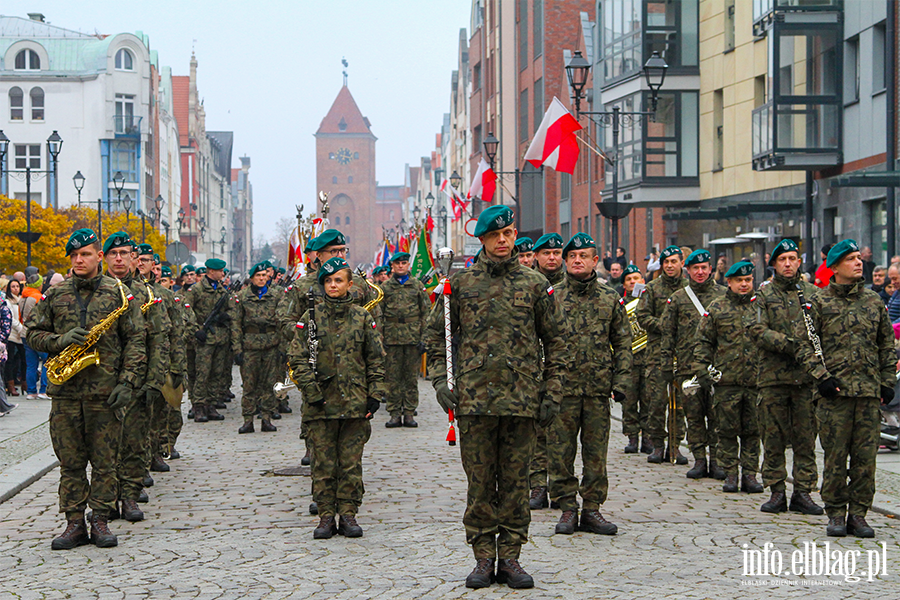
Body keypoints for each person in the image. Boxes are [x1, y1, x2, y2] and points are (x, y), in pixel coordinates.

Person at [424, 205, 566, 589]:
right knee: (481, 484)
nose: (503, 241)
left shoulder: (535, 285)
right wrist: (441, 382)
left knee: (517, 484)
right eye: (495, 236)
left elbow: (555, 342)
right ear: (483, 240)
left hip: (522, 400)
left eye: (508, 234)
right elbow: (436, 338)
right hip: (474, 402)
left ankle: (512, 557)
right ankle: (484, 557)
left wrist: (551, 391)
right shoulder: (462, 284)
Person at [26, 228, 146, 549]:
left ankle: (101, 520)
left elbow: (135, 340)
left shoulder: (119, 293)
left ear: (98, 257)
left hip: (104, 392)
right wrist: (59, 340)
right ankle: (74, 523)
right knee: (71, 461)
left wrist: (128, 381)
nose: (79, 260)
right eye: (74, 256)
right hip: (65, 392)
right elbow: (33, 334)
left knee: (106, 461)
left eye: (86, 254)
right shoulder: (56, 294)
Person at [794, 240, 894, 537]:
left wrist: (887, 382)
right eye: (850, 259)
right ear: (834, 267)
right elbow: (804, 346)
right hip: (834, 396)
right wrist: (821, 377)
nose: (858, 262)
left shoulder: (874, 301)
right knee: (835, 458)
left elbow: (886, 344)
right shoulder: (820, 302)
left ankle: (859, 514)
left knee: (865, 461)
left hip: (866, 394)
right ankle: (836, 513)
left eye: (858, 257)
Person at [288, 257, 385, 539]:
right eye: (328, 281)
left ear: (349, 285)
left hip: (355, 402)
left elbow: (375, 359)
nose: (333, 285)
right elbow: (297, 359)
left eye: (338, 280)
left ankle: (349, 514)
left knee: (351, 463)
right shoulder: (310, 318)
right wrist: (310, 391)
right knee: (323, 463)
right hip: (321, 404)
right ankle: (326, 515)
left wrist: (375, 394)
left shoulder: (362, 317)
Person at [548, 233, 631, 537]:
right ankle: (568, 507)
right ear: (566, 261)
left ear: (597, 260)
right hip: (562, 389)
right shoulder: (552, 296)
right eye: (572, 256)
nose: (578, 260)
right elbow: (538, 341)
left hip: (597, 389)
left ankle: (593, 508)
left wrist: (621, 380)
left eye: (584, 255)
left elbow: (623, 341)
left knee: (596, 453)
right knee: (560, 451)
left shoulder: (609, 298)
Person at [748, 239, 824, 515]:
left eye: (792, 258)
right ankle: (776, 490)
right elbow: (757, 330)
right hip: (773, 378)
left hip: (805, 379)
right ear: (775, 264)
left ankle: (803, 492)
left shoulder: (814, 294)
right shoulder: (764, 294)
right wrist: (791, 345)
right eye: (783, 260)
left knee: (806, 438)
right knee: (773, 438)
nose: (788, 264)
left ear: (799, 261)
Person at [105, 237, 170, 522]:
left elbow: (158, 339)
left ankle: (129, 495)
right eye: (114, 254)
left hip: (139, 378)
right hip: (102, 379)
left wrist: (154, 380)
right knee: (105, 446)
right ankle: (106, 498)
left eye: (126, 254)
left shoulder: (146, 294)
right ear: (104, 258)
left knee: (134, 441)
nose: (120, 259)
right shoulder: (99, 291)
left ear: (135, 259)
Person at [692, 261, 762, 493]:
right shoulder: (717, 308)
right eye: (739, 281)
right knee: (726, 430)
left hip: (755, 381)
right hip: (726, 381)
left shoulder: (761, 307)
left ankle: (750, 474)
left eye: (748, 280)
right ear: (729, 282)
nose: (744, 284)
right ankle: (730, 473)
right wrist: (702, 370)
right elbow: (704, 341)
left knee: (753, 431)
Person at [660, 249, 725, 478]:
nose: (700, 272)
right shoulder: (678, 298)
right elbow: (668, 334)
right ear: (688, 270)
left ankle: (717, 461)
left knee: (717, 416)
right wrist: (666, 364)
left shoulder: (723, 295)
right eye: (695, 268)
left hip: (715, 368)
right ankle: (699, 459)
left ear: (711, 269)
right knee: (694, 416)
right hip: (688, 367)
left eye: (704, 268)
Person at [637, 245, 688, 464]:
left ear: (681, 264)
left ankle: (676, 446)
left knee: (680, 404)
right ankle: (658, 445)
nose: (669, 266)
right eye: (666, 262)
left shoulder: (689, 289)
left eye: (673, 262)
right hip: (657, 354)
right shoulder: (652, 288)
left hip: (683, 354)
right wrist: (665, 325)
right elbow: (642, 316)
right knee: (656, 401)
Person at [527, 231, 565, 510]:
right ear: (536, 257)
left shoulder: (571, 284)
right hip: (531, 370)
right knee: (537, 434)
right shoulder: (527, 285)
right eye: (546, 253)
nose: (552, 258)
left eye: (556, 253)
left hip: (566, 370)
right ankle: (538, 485)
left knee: (563, 436)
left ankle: (563, 489)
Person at [380, 251, 430, 428]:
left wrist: (425, 338)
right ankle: (394, 413)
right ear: (392, 266)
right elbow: (379, 314)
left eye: (404, 263)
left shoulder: (416, 286)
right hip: (391, 338)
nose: (401, 266)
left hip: (412, 337)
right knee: (392, 378)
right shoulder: (385, 288)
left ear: (408, 265)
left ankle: (409, 413)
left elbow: (426, 313)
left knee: (410, 378)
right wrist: (380, 338)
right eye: (397, 263)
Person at [232, 261, 281, 433]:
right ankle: (248, 420)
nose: (261, 279)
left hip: (270, 343)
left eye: (264, 276)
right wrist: (237, 350)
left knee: (269, 384)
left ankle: (267, 417)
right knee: (249, 385)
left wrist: (282, 346)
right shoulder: (242, 297)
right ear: (251, 278)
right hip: (250, 345)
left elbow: (282, 321)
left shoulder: (276, 295)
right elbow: (236, 324)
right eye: (258, 276)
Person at [184, 258, 232, 423]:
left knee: (216, 373)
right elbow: (186, 312)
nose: (223, 274)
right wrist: (196, 331)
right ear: (211, 271)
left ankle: (211, 404)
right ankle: (199, 406)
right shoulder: (196, 290)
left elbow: (232, 310)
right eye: (220, 271)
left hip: (219, 337)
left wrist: (226, 316)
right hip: (204, 338)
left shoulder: (222, 291)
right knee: (202, 374)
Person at [621, 265, 649, 453]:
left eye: (636, 278)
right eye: (629, 279)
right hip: (629, 360)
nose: (633, 281)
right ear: (624, 284)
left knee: (649, 401)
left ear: (642, 281)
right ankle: (632, 437)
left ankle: (648, 438)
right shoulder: (620, 303)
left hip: (648, 359)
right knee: (629, 401)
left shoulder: (649, 301)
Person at [20, 268, 49, 400]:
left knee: (30, 364)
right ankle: (44, 389)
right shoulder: (38, 297)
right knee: (47, 361)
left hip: (24, 332)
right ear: (38, 284)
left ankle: (31, 391)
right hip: (37, 333)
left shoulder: (23, 297)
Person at [4, 280, 26, 397]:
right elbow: (11, 318)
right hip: (12, 334)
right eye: (13, 286)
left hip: (22, 335)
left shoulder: (22, 299)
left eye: (17, 286)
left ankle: (24, 382)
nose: (15, 289)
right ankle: (11, 385)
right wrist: (20, 328)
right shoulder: (8, 302)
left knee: (23, 360)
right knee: (11, 361)